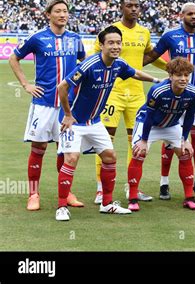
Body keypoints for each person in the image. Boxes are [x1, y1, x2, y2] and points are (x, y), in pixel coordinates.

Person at [55, 25, 159, 221]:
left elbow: (135, 72)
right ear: (101, 45)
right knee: (71, 159)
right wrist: (67, 115)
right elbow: (62, 87)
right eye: (110, 43)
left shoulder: (119, 65)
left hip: (94, 122)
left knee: (110, 157)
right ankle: (61, 207)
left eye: (118, 43)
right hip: (74, 123)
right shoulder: (88, 65)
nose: (115, 46)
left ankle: (107, 204)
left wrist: (156, 80)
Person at [9, 0, 86, 211]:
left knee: (66, 149)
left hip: (67, 107)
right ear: (48, 14)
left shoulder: (75, 39)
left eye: (65, 11)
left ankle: (66, 191)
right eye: (58, 11)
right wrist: (26, 85)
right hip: (43, 103)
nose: (62, 15)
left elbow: (83, 63)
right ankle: (33, 194)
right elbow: (13, 58)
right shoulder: (38, 37)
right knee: (39, 147)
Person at [93, 0, 168, 205]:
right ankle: (101, 189)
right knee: (105, 141)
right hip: (112, 93)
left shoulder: (144, 32)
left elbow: (151, 57)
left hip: (136, 95)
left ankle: (131, 186)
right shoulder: (111, 32)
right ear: (121, 7)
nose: (133, 9)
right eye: (129, 5)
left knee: (135, 142)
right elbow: (94, 55)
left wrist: (170, 67)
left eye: (136, 5)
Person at [144, 3, 195, 200]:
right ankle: (164, 183)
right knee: (171, 140)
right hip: (174, 95)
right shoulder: (170, 35)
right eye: (190, 14)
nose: (194, 16)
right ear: (182, 15)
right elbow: (153, 55)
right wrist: (127, 65)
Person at [127, 57, 195, 211]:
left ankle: (189, 197)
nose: (183, 79)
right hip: (149, 124)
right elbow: (149, 116)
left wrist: (184, 139)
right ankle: (133, 198)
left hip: (172, 125)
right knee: (139, 153)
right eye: (179, 75)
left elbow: (189, 117)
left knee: (185, 153)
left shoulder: (194, 93)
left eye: (186, 75)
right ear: (170, 76)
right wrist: (144, 140)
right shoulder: (158, 90)